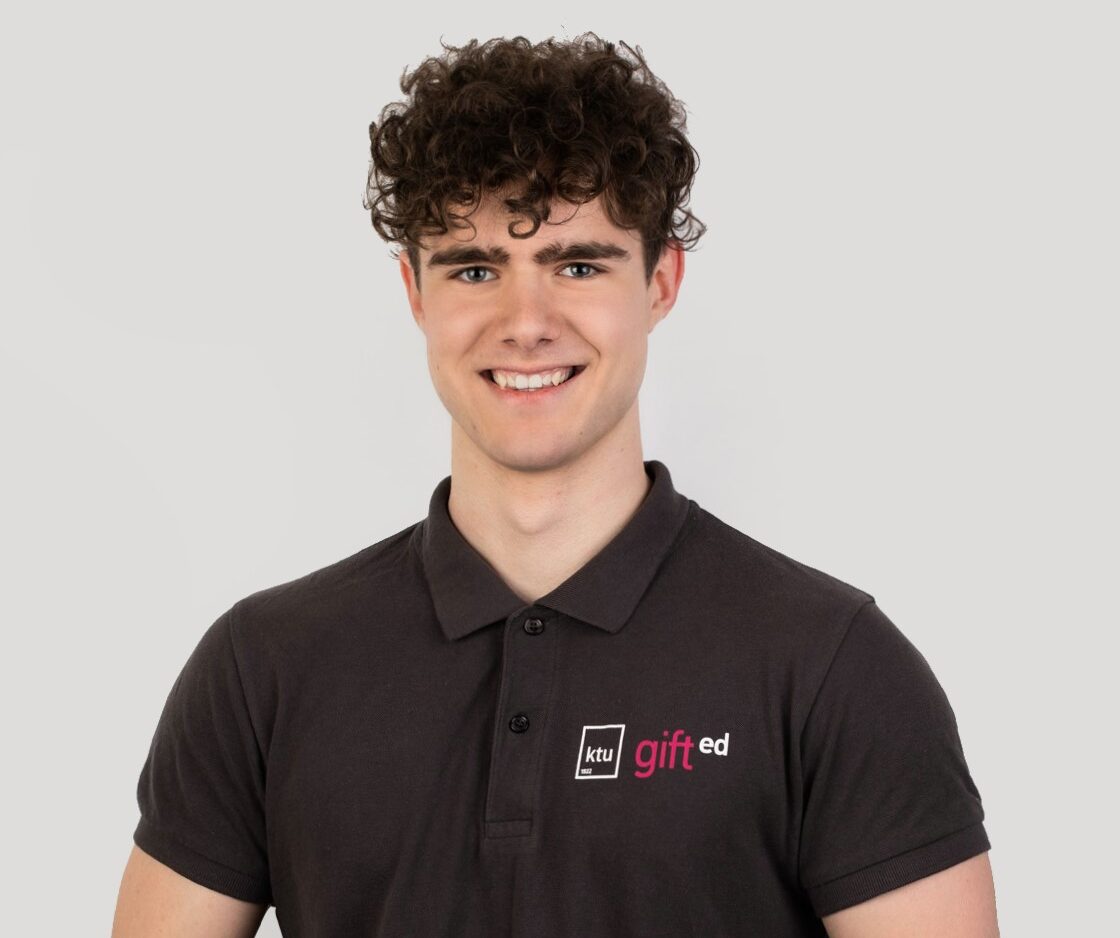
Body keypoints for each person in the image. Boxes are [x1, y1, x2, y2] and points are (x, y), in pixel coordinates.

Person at [111, 33, 999, 938]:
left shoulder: (836, 667)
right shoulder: (261, 668)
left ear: (660, 282)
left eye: (577, 264)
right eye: (474, 268)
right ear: (416, 294)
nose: (526, 323)